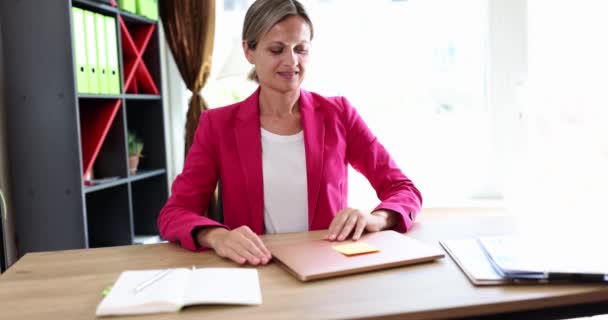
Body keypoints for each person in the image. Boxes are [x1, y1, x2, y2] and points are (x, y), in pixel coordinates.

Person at [158, 0, 422, 266]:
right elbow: (175, 213)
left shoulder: (339, 114)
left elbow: (403, 189)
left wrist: (376, 218)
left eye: (301, 49)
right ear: (249, 51)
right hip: (255, 270)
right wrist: (215, 236)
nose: (291, 61)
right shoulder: (217, 125)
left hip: (327, 267)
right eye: (276, 49)